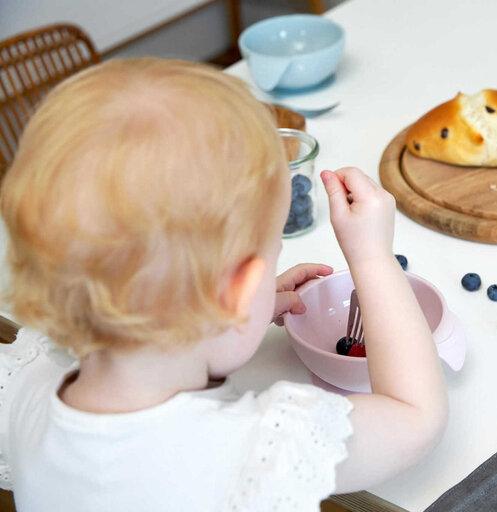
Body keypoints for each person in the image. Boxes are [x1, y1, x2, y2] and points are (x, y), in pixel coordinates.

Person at [0, 58, 447, 511]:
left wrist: (219, 313)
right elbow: (416, 415)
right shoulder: (250, 453)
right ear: (235, 293)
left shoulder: (22, 393)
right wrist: (373, 257)